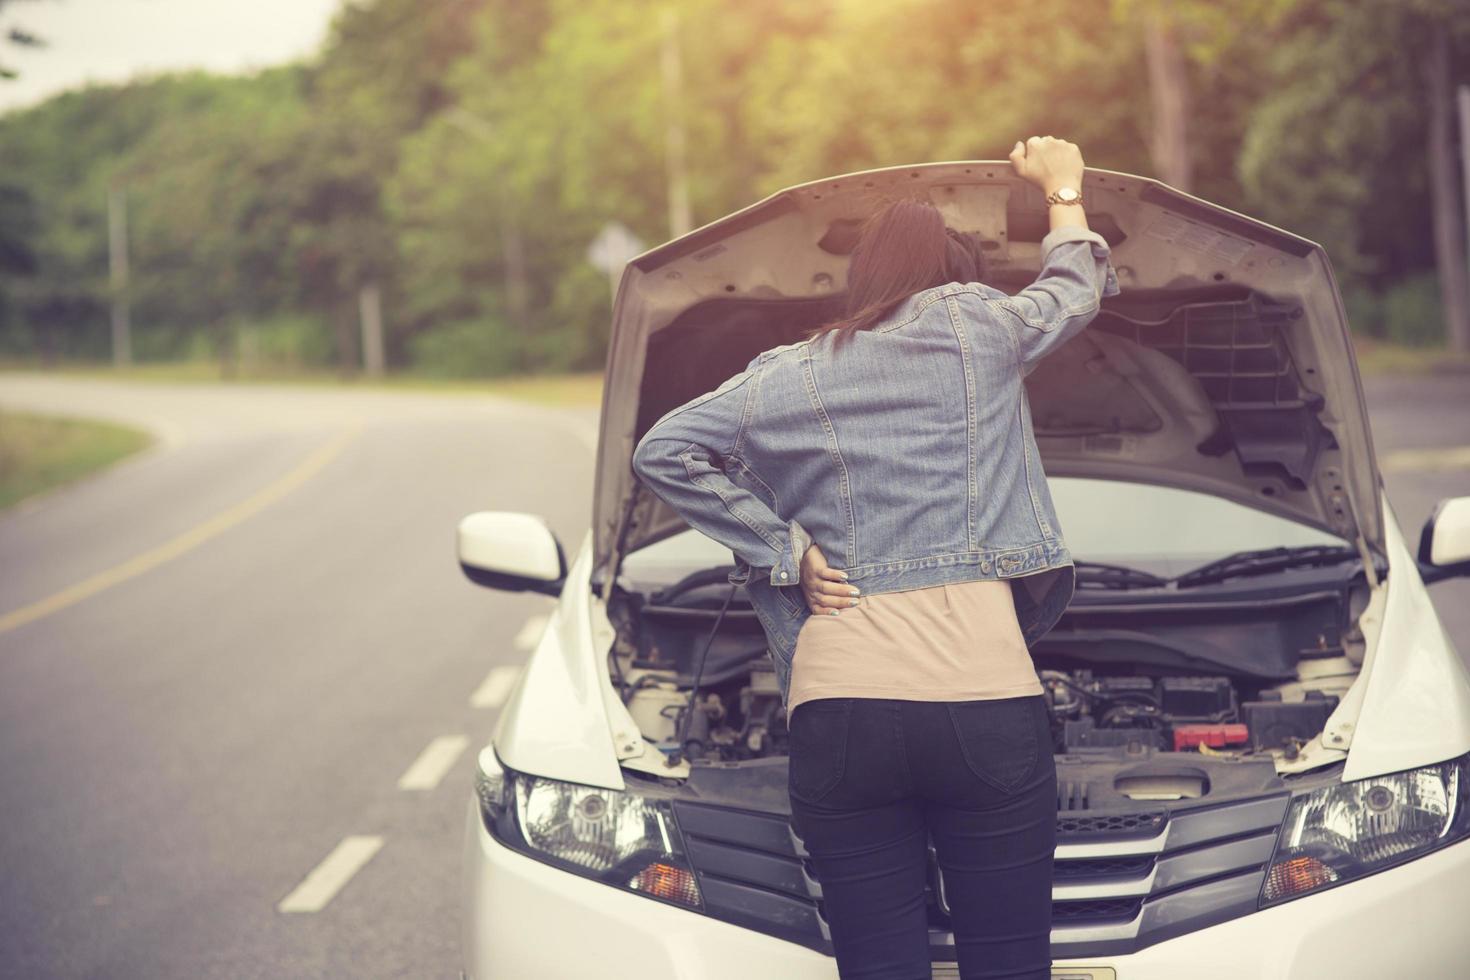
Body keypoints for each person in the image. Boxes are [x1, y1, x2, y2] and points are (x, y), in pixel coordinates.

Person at [632, 135, 1119, 979]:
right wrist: (1062, 190)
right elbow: (1073, 291)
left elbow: (664, 449)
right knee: (1007, 963)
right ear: (950, 272)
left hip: (840, 713)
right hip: (981, 701)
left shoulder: (791, 373)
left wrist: (782, 547)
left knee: (876, 964)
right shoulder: (975, 325)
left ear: (862, 277)